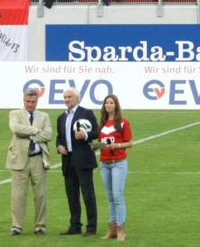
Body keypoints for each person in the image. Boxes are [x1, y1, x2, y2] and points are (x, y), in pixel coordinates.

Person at [7, 88, 53, 236]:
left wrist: (29, 134)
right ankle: (16, 227)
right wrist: (36, 130)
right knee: (18, 196)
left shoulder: (44, 116)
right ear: (23, 100)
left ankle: (40, 226)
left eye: (33, 101)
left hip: (38, 159)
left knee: (40, 195)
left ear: (37, 101)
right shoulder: (14, 114)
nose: (30, 104)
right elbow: (15, 128)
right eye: (28, 101)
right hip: (19, 159)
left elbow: (49, 134)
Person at [56, 87, 99, 236]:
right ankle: (75, 226)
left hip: (83, 160)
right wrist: (58, 146)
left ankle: (91, 228)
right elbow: (59, 137)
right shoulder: (61, 117)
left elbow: (96, 132)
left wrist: (86, 135)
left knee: (88, 195)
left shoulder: (86, 113)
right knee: (72, 195)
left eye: (69, 97)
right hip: (67, 161)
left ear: (77, 99)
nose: (66, 99)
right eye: (65, 97)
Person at [97, 95, 133, 241]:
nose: (108, 105)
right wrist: (97, 146)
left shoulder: (123, 123)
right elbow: (102, 143)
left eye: (111, 103)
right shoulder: (102, 123)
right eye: (106, 103)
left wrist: (116, 145)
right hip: (104, 163)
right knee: (110, 198)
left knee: (118, 196)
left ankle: (120, 230)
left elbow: (130, 143)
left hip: (118, 162)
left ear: (116, 105)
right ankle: (112, 229)